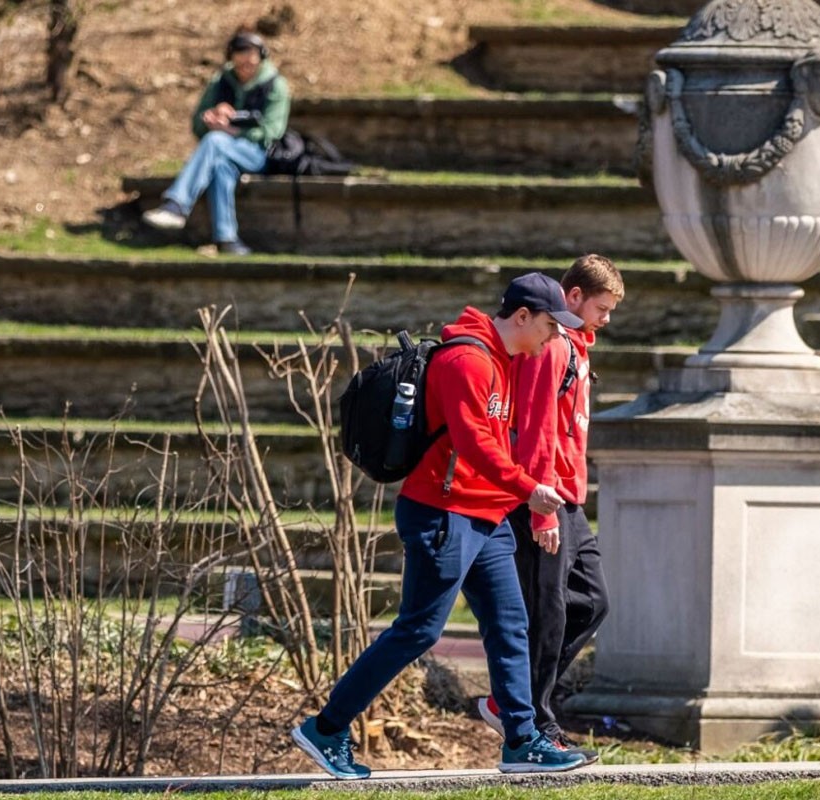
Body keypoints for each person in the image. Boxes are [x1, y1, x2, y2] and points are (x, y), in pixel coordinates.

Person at [291, 273, 593, 779]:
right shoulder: (466, 361)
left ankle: (522, 741)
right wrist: (528, 488)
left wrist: (512, 494)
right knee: (418, 630)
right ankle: (326, 728)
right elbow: (476, 444)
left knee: (510, 624)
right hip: (443, 514)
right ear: (522, 317)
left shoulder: (504, 360)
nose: (553, 337)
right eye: (548, 325)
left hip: (486, 515)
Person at [472, 255, 623, 760]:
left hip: (569, 497)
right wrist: (539, 509)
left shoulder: (577, 347)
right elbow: (534, 429)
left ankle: (511, 699)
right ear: (573, 297)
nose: (606, 319)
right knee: (547, 611)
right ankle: (531, 720)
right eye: (601, 308)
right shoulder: (551, 347)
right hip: (543, 495)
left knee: (591, 601)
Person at [141, 30, 290, 256]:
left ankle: (177, 206)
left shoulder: (276, 85)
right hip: (224, 152)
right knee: (221, 167)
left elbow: (273, 131)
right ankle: (227, 239)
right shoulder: (221, 82)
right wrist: (211, 118)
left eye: (250, 59)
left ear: (261, 57)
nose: (245, 66)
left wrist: (231, 130)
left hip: (259, 154)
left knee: (216, 141)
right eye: (239, 60)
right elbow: (197, 126)